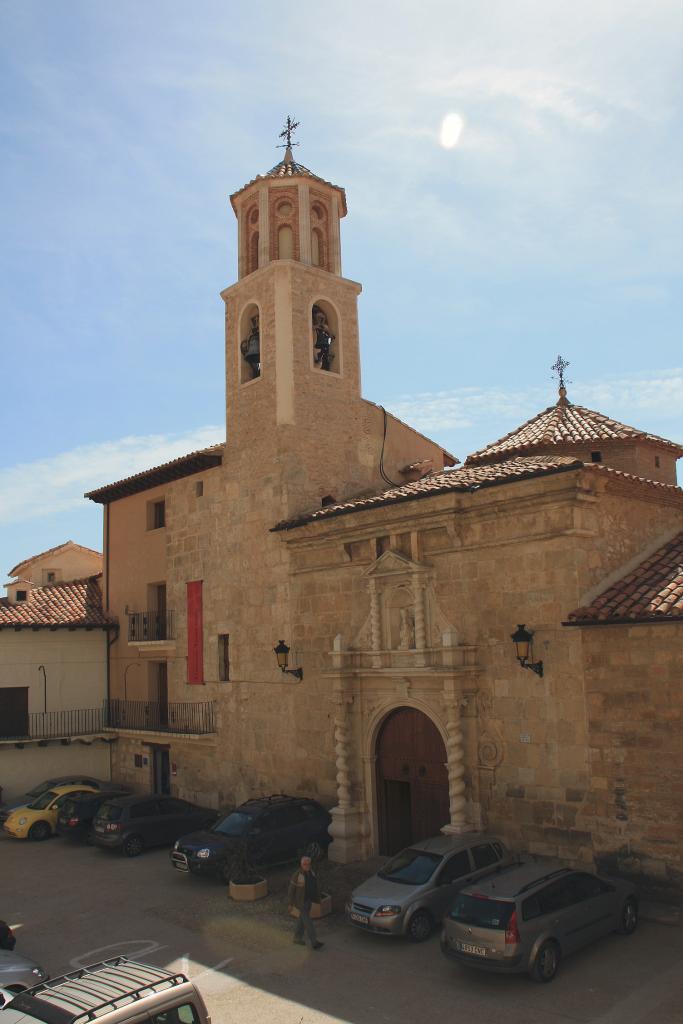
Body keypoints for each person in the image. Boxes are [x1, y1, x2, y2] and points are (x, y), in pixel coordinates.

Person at [288, 855, 324, 949]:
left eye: (308, 864)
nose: (307, 866)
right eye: (305, 864)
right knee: (308, 922)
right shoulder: (297, 875)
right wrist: (290, 904)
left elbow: (315, 887)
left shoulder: (312, 873)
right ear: (301, 865)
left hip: (309, 901)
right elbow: (291, 891)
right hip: (301, 903)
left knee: (301, 920)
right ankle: (314, 942)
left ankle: (297, 938)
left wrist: (318, 899)